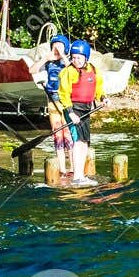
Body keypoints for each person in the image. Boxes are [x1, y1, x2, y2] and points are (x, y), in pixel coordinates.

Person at [60, 38, 103, 184]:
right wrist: (71, 113)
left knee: (85, 142)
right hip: (73, 109)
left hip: (86, 109)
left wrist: (103, 98)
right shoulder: (68, 72)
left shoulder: (93, 70)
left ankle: (81, 176)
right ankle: (77, 177)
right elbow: (63, 94)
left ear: (86, 57)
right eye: (73, 57)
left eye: (79, 57)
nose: (76, 60)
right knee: (78, 141)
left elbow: (98, 89)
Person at [40, 33, 74, 170]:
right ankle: (62, 169)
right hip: (52, 98)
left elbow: (72, 72)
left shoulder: (70, 61)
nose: (57, 49)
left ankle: (72, 167)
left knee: (67, 132)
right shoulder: (49, 61)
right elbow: (32, 70)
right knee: (57, 133)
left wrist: (63, 55)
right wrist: (44, 59)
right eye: (55, 46)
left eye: (60, 46)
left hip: (65, 100)